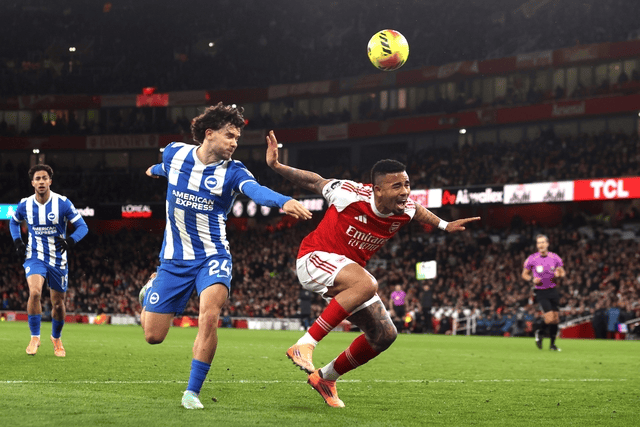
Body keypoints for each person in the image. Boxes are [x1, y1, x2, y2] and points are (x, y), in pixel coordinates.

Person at [265, 130, 480, 407]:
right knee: (367, 284)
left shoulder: (405, 208)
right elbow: (315, 181)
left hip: (346, 275)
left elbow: (418, 210)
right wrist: (277, 166)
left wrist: (444, 225)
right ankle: (304, 344)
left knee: (384, 335)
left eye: (407, 184)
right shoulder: (349, 193)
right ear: (377, 189)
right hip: (315, 258)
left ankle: (325, 378)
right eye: (396, 186)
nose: (405, 192)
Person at [138, 103, 312, 410]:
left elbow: (256, 191)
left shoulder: (234, 172)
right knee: (153, 336)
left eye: (237, 138)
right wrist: (156, 170)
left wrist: (283, 201)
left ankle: (192, 392)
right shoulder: (174, 153)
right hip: (174, 259)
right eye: (229, 136)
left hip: (213, 256)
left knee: (209, 317)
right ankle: (151, 287)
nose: (234, 143)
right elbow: (168, 168)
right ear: (209, 134)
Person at [9, 164, 88, 357]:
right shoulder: (25, 204)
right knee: (35, 292)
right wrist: (18, 241)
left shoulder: (63, 203)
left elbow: (83, 227)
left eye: (45, 178)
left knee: (58, 304)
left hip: (58, 259)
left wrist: (70, 240)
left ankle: (56, 338)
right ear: (32, 183)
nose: (41, 181)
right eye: (38, 178)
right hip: (34, 256)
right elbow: (14, 222)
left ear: (50, 181)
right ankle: (35, 336)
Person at [522, 234, 566, 351]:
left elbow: (562, 272)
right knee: (550, 318)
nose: (541, 245)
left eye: (543, 242)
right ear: (537, 245)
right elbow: (524, 274)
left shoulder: (555, 257)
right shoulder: (532, 258)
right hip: (541, 291)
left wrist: (559, 274)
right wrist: (532, 279)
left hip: (553, 290)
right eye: (538, 243)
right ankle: (539, 332)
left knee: (555, 319)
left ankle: (552, 345)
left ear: (547, 244)